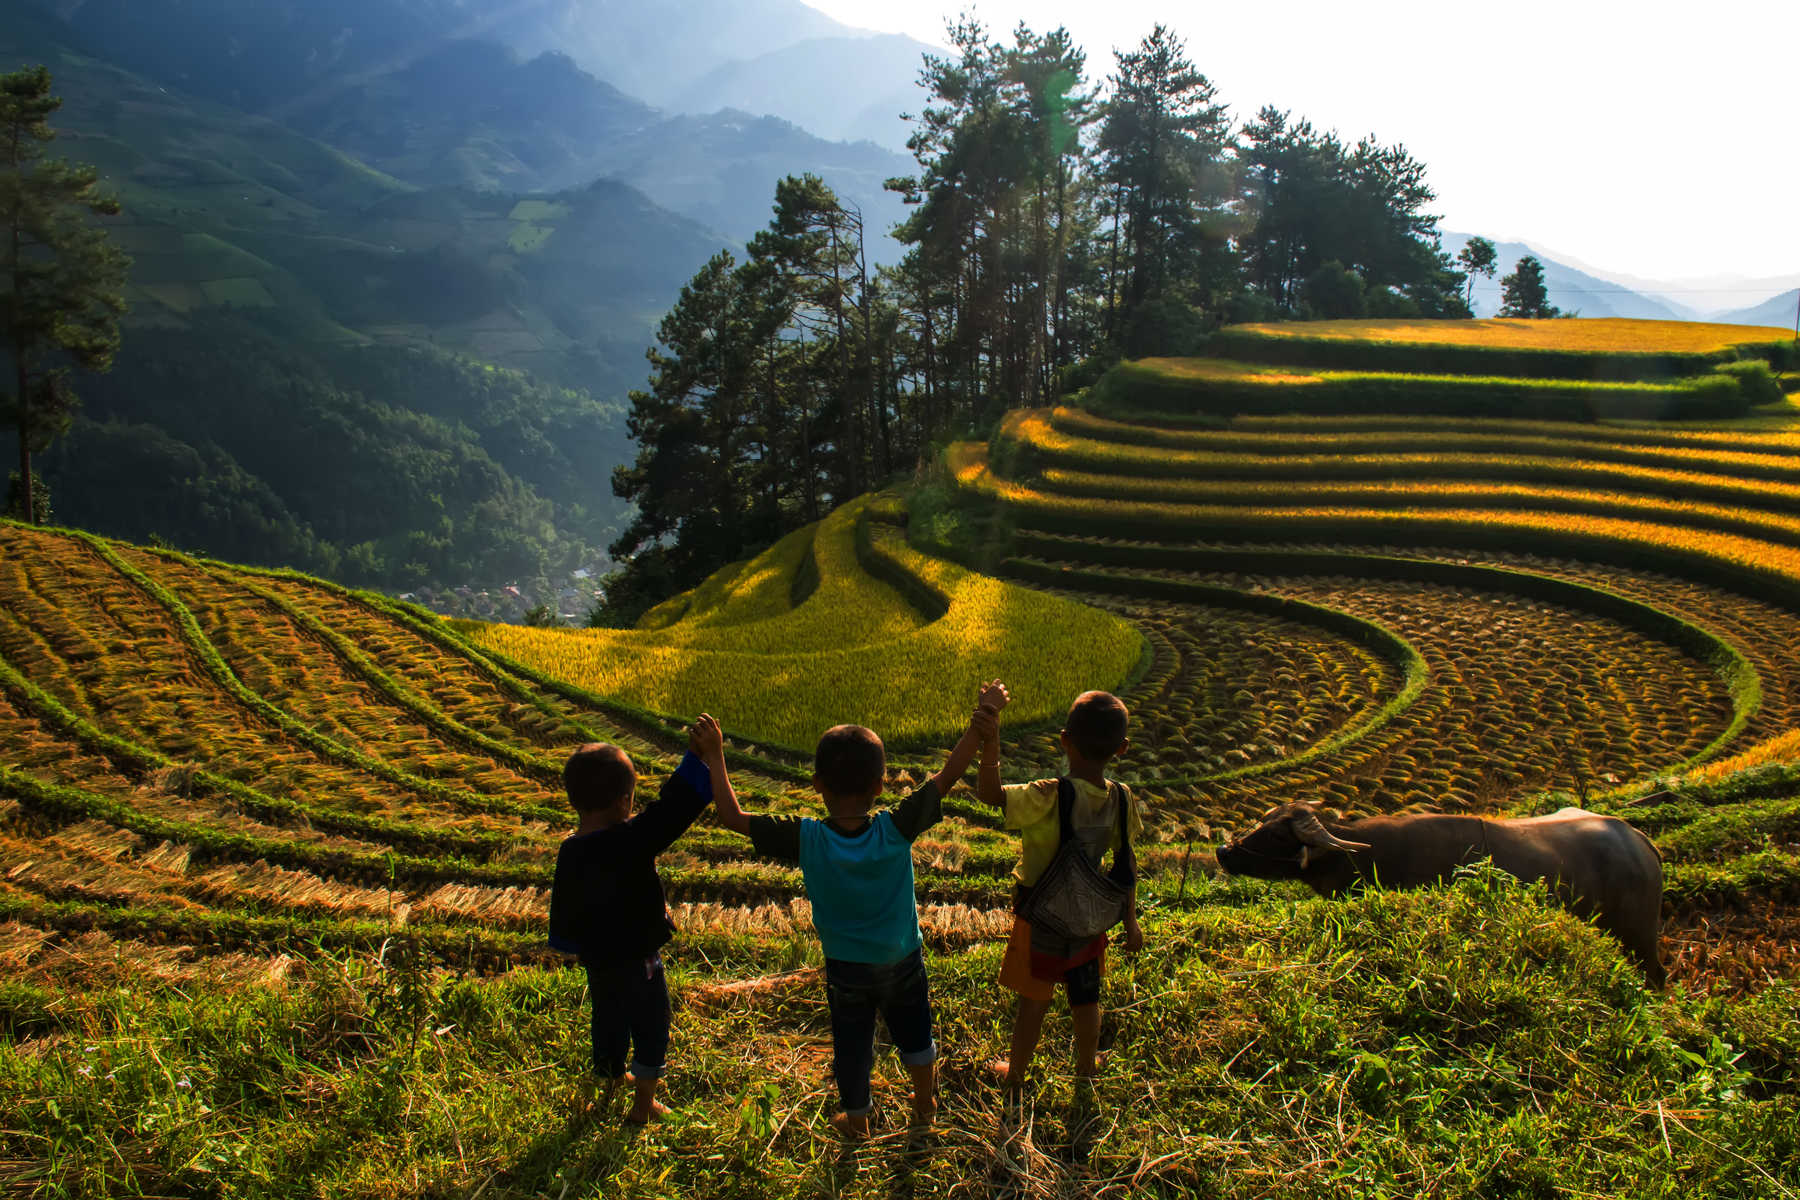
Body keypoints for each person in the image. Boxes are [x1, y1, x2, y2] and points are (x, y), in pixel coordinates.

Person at [709, 683, 1010, 1139]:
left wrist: (715, 755)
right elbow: (946, 777)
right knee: (915, 1033)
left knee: (851, 1047)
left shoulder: (806, 838)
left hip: (846, 968)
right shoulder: (894, 828)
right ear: (879, 784)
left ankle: (857, 1121)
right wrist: (980, 722)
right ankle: (925, 1101)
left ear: (817, 786)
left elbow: (733, 817)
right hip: (902, 959)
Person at [547, 718, 723, 1124]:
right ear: (624, 801)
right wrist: (698, 758)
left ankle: (607, 1087)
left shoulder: (570, 850)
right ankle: (643, 1106)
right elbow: (672, 809)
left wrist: (570, 945)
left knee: (607, 1021)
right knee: (651, 1024)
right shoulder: (628, 840)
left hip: (598, 961)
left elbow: (565, 908)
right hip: (638, 960)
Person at [979, 690, 1143, 1097]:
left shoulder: (1049, 794)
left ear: (1065, 739)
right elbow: (1126, 866)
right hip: (1090, 919)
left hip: (1042, 919)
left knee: (1034, 1001)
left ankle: (1015, 1073)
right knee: (1086, 998)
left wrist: (992, 739)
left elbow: (990, 794)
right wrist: (1131, 921)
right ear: (1121, 749)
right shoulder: (1122, 798)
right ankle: (1086, 1067)